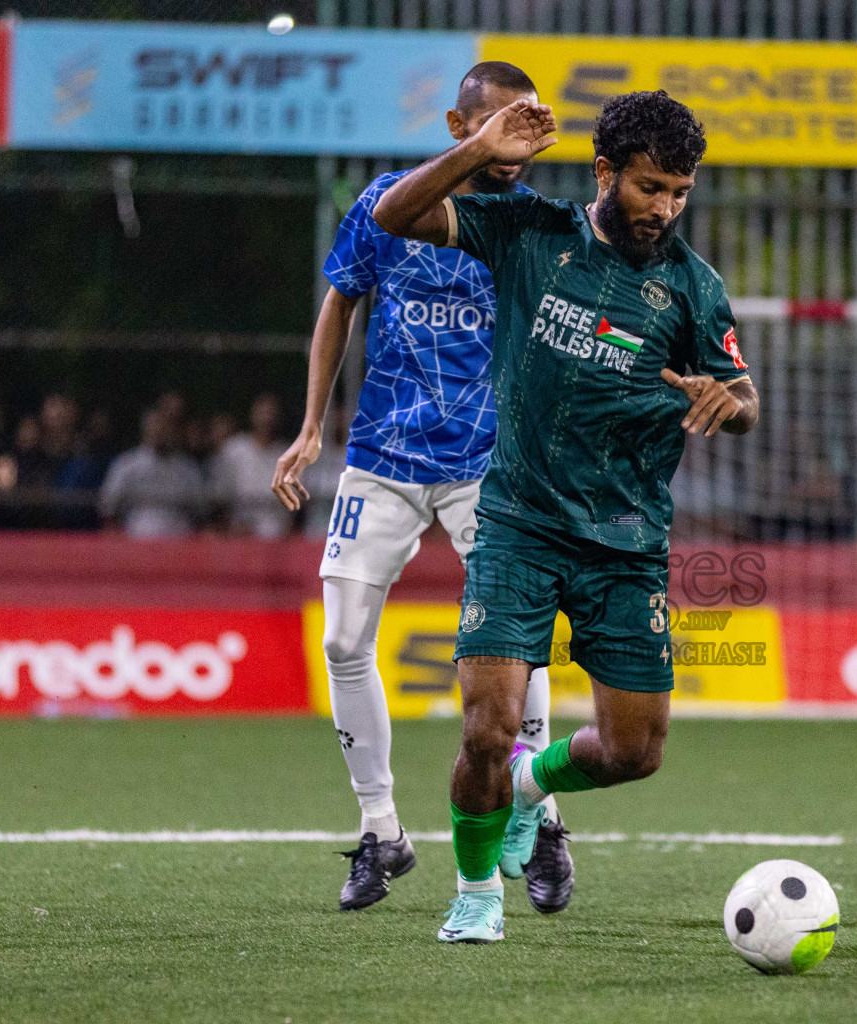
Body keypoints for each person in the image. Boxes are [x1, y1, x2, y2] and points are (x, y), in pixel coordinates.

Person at [372, 89, 760, 943]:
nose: (665, 208)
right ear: (604, 171)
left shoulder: (693, 288)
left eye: (681, 192)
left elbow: (746, 400)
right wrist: (478, 149)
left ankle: (530, 787)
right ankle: (476, 895)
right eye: (651, 187)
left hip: (625, 540)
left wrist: (722, 402)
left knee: (634, 753)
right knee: (485, 728)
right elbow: (395, 214)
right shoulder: (528, 232)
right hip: (516, 520)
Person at [271, 62, 571, 914]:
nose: (514, 140)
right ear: (458, 122)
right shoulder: (387, 203)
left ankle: (541, 818)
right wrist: (310, 425)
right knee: (341, 639)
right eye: (495, 122)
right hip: (385, 454)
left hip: (490, 460)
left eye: (526, 121)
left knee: (519, 639)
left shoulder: (533, 223)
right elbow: (341, 303)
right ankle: (381, 833)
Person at [97, 406, 207, 539]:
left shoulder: (188, 468)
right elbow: (108, 508)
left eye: (165, 427)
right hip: (137, 537)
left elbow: (201, 511)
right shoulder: (127, 464)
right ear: (145, 429)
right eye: (155, 426)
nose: (160, 431)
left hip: (180, 540)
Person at [211, 394, 292, 538]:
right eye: (262, 413)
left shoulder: (287, 455)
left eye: (271, 414)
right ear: (253, 415)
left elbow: (295, 506)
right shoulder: (234, 450)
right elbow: (219, 498)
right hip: (240, 535)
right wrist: (230, 528)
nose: (267, 420)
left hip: (278, 536)